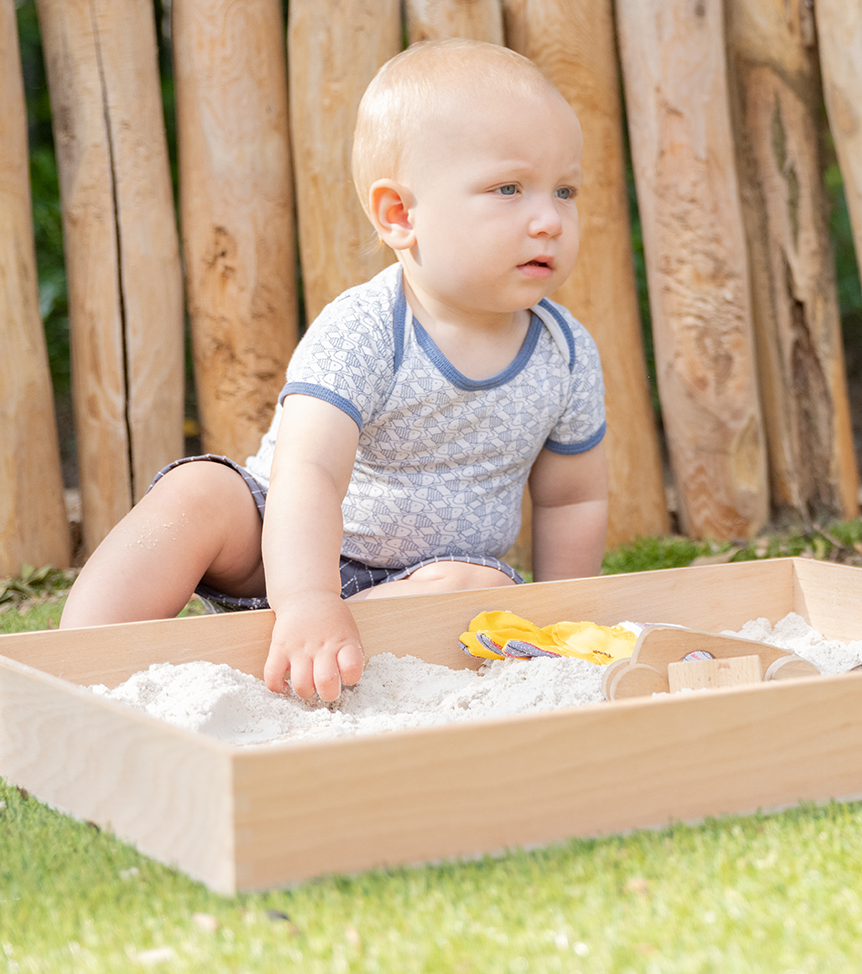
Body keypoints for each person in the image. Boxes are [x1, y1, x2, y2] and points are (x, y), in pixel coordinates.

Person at [60, 38, 609, 702]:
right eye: (509, 188)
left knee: (481, 586)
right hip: (281, 547)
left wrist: (562, 615)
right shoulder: (368, 328)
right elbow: (309, 474)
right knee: (198, 492)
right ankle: (73, 659)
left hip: (420, 580)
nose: (549, 219)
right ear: (400, 215)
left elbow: (572, 498)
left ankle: (347, 652)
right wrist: (308, 596)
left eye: (565, 190)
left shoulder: (567, 353)